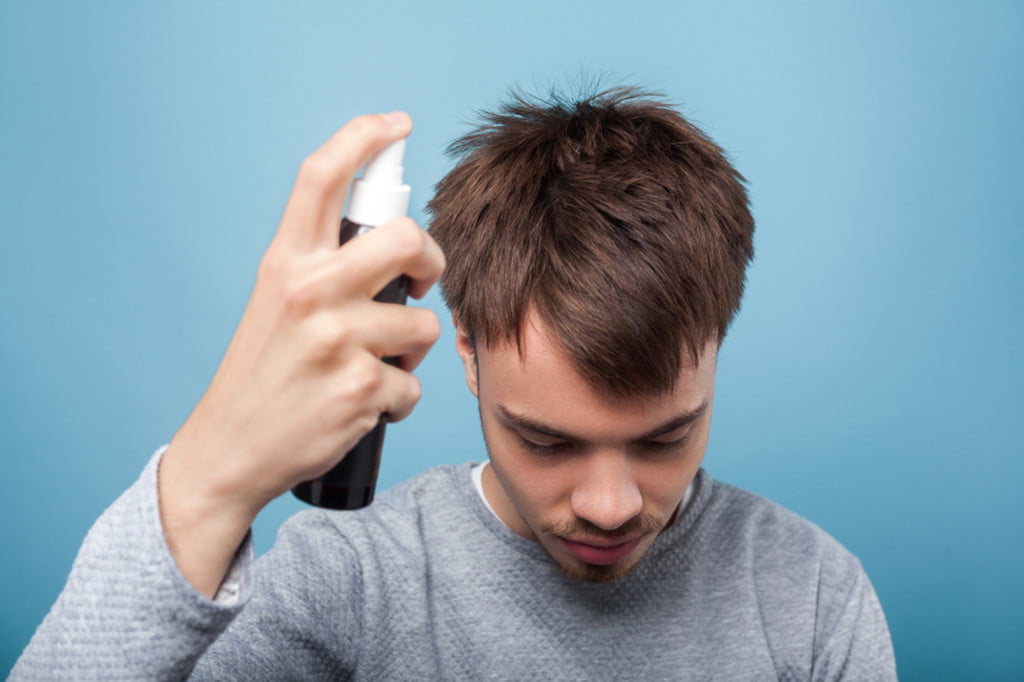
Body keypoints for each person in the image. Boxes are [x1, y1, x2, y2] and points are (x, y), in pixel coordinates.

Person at [13, 87, 897, 680]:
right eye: (546, 439)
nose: (610, 505)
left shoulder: (813, 598)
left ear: (717, 346)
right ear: (466, 353)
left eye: (666, 436)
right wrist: (205, 482)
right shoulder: (350, 583)